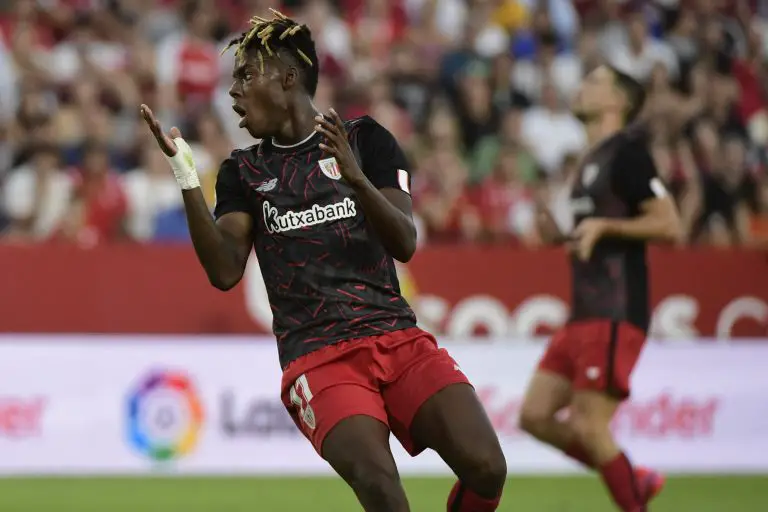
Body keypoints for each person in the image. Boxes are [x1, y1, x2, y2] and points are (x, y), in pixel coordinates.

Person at [140, 9, 506, 512]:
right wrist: (186, 176)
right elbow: (225, 271)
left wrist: (356, 179)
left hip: (397, 338)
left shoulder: (366, 140)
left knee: (488, 468)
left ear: (288, 78)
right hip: (319, 356)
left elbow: (404, 241)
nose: (233, 92)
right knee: (381, 488)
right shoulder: (243, 172)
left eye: (246, 75)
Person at [518, 65, 682, 512]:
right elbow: (590, 235)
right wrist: (560, 235)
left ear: (617, 102)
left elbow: (669, 222)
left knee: (591, 426)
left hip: (615, 312)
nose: (581, 86)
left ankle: (632, 496)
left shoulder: (628, 154)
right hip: (583, 313)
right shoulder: (589, 161)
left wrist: (602, 226)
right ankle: (632, 477)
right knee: (533, 415)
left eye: (593, 81)